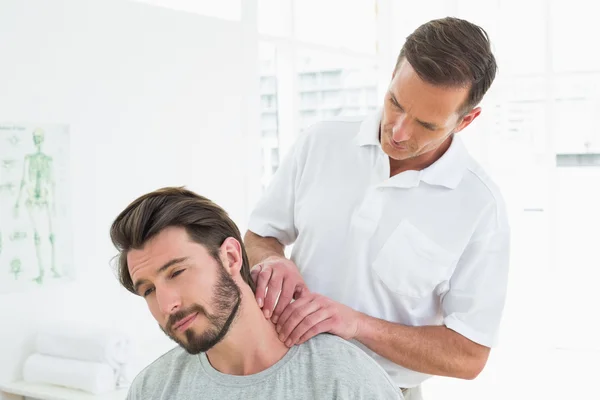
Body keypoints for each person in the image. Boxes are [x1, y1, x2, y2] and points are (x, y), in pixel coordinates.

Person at [244, 17, 510, 400]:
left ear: (466, 120)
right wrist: (269, 261)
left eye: (426, 125)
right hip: (281, 376)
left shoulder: (481, 207)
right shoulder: (321, 142)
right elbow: (260, 235)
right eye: (395, 103)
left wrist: (357, 325)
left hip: (383, 390)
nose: (398, 132)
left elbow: (469, 354)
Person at [109, 187, 403, 400]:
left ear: (231, 258)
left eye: (176, 273)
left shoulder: (343, 378)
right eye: (148, 290)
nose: (167, 304)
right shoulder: (153, 389)